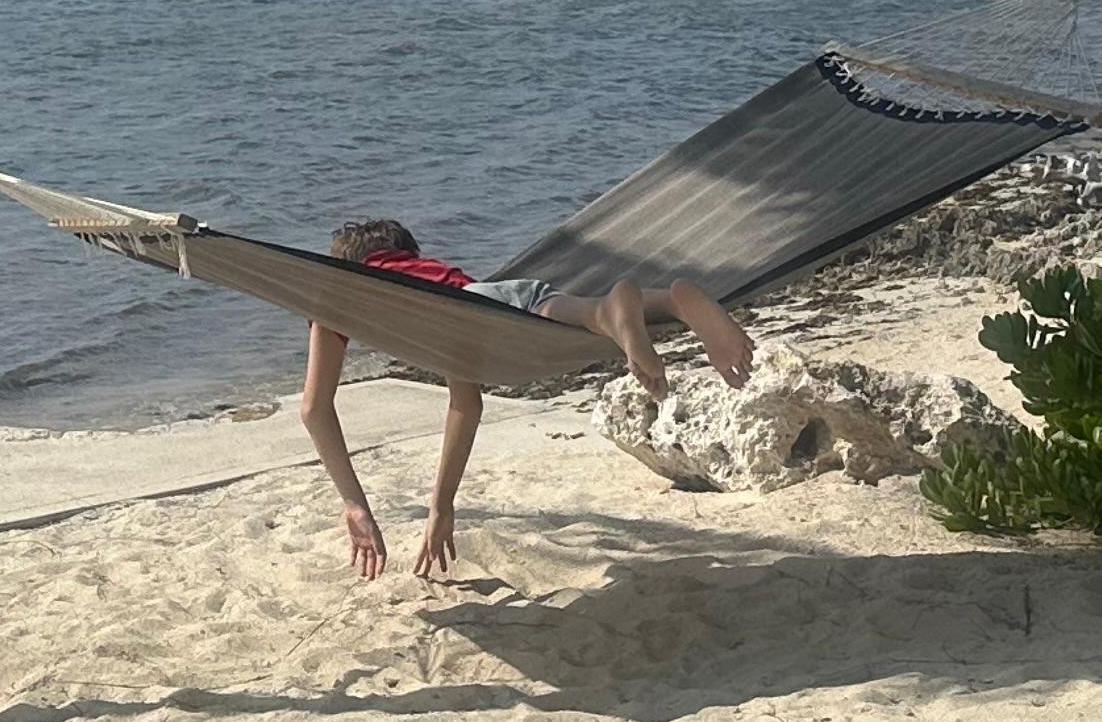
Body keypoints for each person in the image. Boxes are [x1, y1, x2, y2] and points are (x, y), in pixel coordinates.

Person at [294, 216, 759, 579]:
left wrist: (355, 504)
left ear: (348, 266)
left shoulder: (340, 292)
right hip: (493, 297)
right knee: (574, 313)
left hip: (470, 317)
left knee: (578, 317)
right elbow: (466, 403)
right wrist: (441, 506)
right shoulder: (434, 276)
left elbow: (315, 409)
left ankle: (615, 311)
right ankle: (667, 302)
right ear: (406, 255)